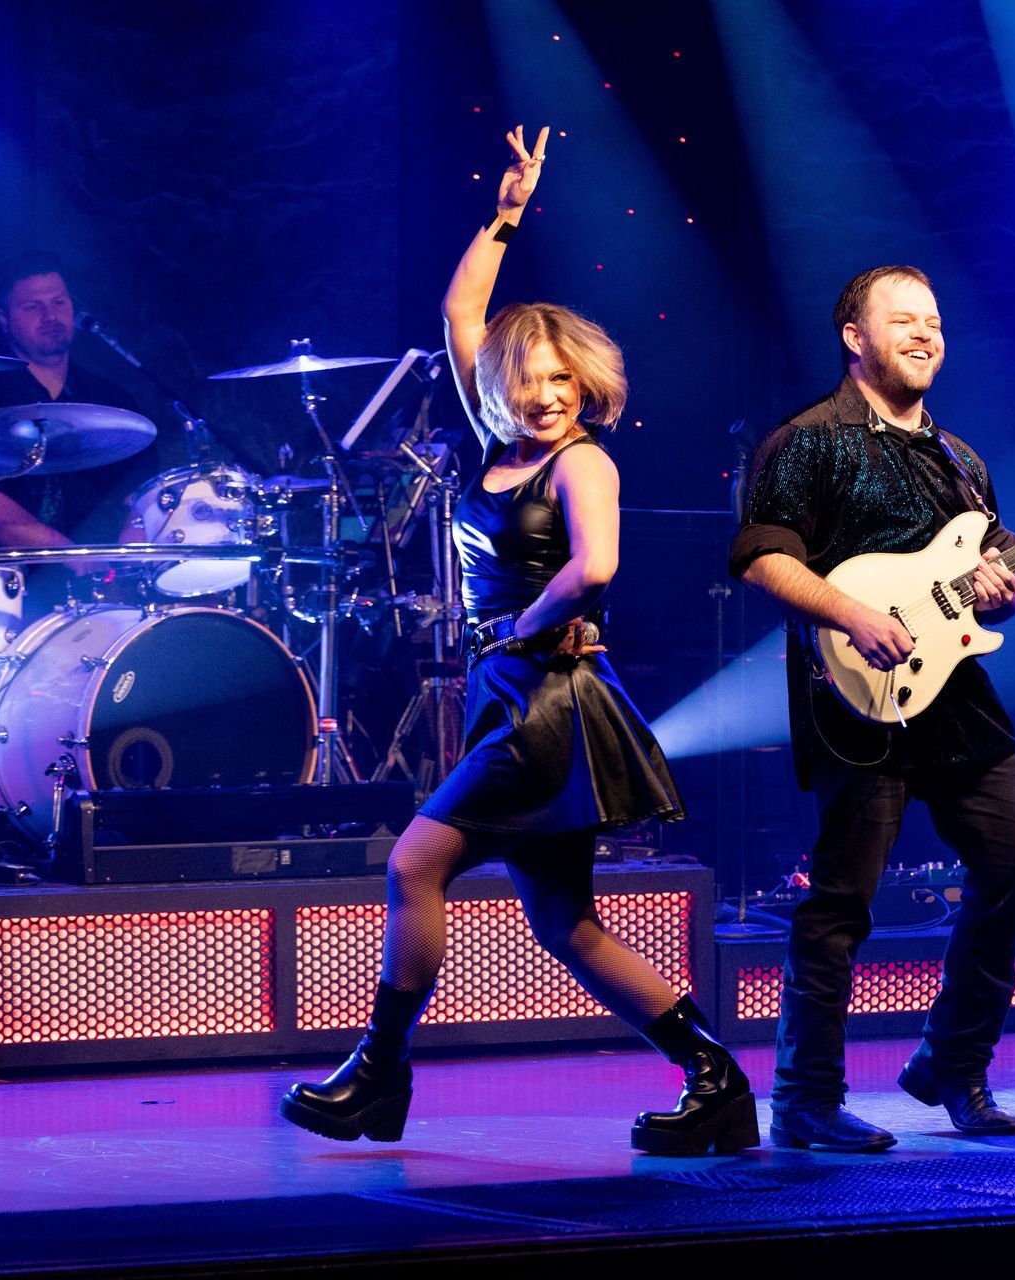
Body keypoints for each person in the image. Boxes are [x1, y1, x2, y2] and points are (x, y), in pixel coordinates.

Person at [281, 126, 755, 1156]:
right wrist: (504, 218)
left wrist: (520, 628)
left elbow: (597, 566)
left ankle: (378, 1075)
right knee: (565, 924)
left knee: (415, 864)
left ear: (585, 386)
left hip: (546, 700)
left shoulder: (581, 463)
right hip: (517, 692)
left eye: (559, 380)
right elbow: (461, 315)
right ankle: (715, 1077)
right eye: (527, 380)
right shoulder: (496, 443)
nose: (543, 395)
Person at [731, 264, 1015, 1152]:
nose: (925, 334)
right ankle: (805, 1098)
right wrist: (851, 614)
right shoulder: (809, 442)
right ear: (854, 336)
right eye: (903, 319)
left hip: (957, 695)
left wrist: (1005, 593)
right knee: (843, 900)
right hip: (854, 693)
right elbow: (761, 556)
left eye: (934, 322)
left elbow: (993, 575)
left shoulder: (960, 460)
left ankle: (952, 1063)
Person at [0, 252, 171, 551]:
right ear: (4, 320)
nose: (50, 317)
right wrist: (68, 557)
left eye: (59, 302)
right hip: (6, 572)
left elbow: (143, 490)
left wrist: (133, 536)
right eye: (33, 307)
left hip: (105, 571)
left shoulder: (111, 401)